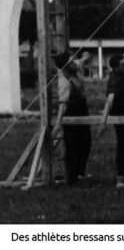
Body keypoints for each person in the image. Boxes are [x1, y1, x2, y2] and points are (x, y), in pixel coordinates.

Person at [98, 36, 124, 188]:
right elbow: (109, 100)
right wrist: (103, 123)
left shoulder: (121, 71)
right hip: (120, 115)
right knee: (123, 145)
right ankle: (122, 179)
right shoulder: (115, 79)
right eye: (123, 65)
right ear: (115, 67)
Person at [52, 50, 92, 186]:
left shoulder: (76, 64)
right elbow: (63, 104)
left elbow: (82, 60)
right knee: (72, 144)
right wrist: (58, 124)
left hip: (82, 105)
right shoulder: (64, 82)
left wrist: (86, 56)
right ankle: (72, 176)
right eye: (69, 63)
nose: (72, 64)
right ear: (63, 67)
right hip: (71, 108)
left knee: (86, 141)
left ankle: (80, 172)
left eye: (71, 60)